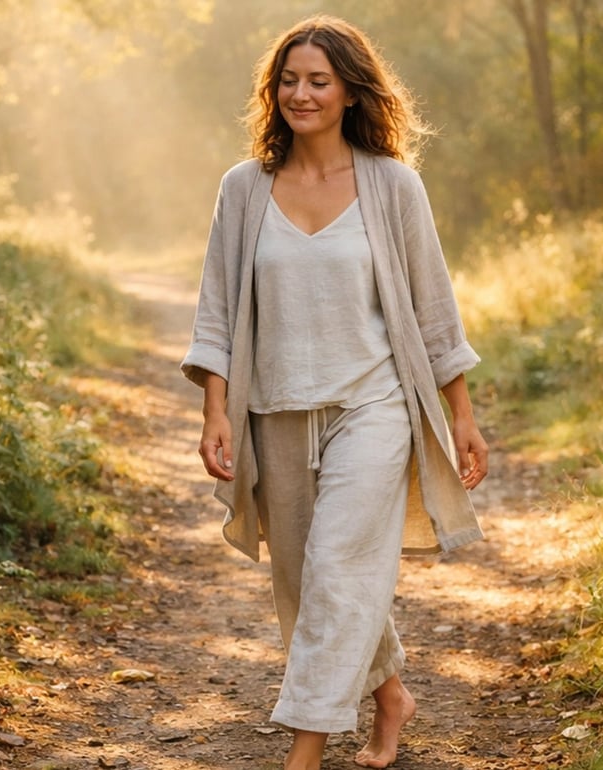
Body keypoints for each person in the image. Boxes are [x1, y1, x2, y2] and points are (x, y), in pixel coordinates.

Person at [180, 14, 489, 770]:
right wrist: (215, 409)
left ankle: (305, 749)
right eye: (289, 80)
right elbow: (217, 308)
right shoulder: (244, 189)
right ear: (272, 90)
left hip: (373, 407)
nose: (301, 93)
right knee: (306, 579)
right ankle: (390, 698)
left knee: (339, 568)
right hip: (274, 412)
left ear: (350, 90)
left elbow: (432, 308)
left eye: (318, 80)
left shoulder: (393, 186)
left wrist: (461, 416)